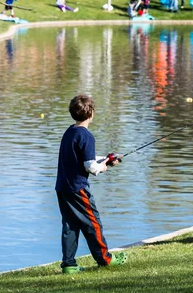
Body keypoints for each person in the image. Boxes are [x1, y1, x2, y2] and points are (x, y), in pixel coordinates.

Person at [55, 95, 127, 273]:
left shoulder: (70, 132)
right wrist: (104, 167)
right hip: (78, 189)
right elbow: (91, 167)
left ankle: (69, 264)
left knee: (70, 224)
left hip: (63, 187)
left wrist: (104, 159)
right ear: (91, 113)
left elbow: (82, 160)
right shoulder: (87, 136)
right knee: (93, 222)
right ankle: (105, 259)